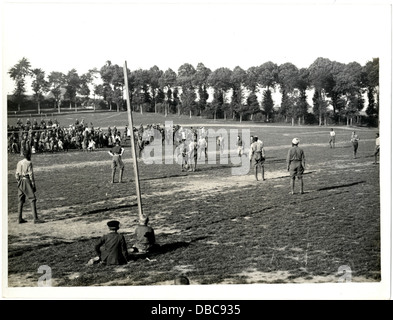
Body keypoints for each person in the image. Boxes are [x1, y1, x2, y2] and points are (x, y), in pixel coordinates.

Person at [15, 150, 44, 224]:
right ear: (28, 155)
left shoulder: (19, 162)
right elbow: (31, 175)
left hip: (20, 181)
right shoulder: (29, 163)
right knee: (32, 199)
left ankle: (19, 218)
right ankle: (35, 219)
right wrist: (33, 185)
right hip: (26, 180)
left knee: (21, 199)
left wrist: (19, 182)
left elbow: (16, 174)